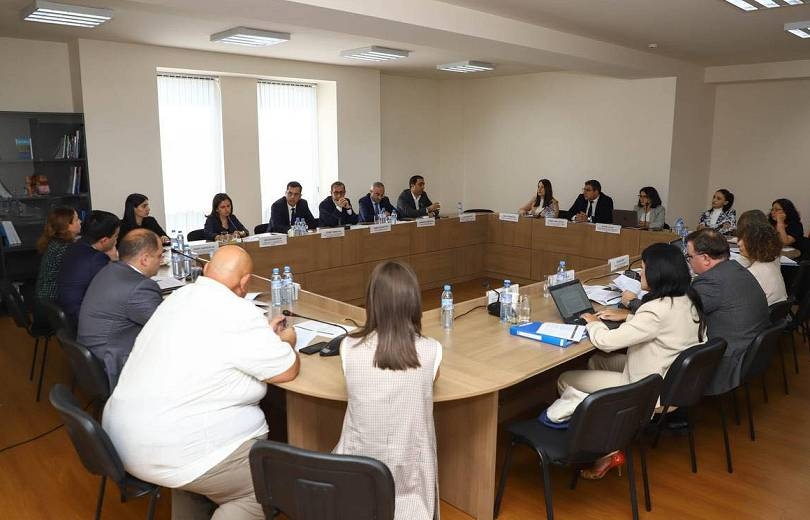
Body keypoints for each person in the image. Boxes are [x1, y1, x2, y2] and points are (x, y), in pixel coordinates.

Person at [102, 246, 299, 520]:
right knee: (268, 487)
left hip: (121, 438)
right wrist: (288, 341)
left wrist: (261, 336)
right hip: (177, 450)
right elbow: (286, 370)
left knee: (193, 476)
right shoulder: (237, 312)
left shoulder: (178, 297)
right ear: (244, 283)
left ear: (206, 270)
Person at [556, 243, 704, 479]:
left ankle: (603, 448)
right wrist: (628, 317)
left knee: (566, 379)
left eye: (643, 269)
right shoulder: (687, 298)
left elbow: (606, 341)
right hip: (669, 379)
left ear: (657, 273)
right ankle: (610, 421)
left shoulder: (655, 310)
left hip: (648, 389)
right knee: (597, 362)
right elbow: (661, 327)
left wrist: (593, 322)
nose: (640, 274)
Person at [333, 260, 441, 519]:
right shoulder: (432, 350)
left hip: (357, 471)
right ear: (414, 302)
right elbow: (429, 379)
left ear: (371, 302)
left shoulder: (348, 347)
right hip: (412, 475)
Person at [685, 228, 770, 395]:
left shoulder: (710, 282)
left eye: (689, 257)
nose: (688, 261)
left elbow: (680, 314)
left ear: (706, 258)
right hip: (749, 354)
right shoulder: (736, 269)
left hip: (727, 363)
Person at [77, 229, 163, 389]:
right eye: (159, 255)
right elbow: (166, 326)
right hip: (112, 363)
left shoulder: (110, 269)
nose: (162, 260)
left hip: (93, 356)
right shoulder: (140, 287)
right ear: (144, 259)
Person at [57, 210, 120, 324]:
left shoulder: (74, 246)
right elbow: (117, 289)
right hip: (84, 320)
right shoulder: (97, 258)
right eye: (116, 236)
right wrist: (114, 261)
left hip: (68, 312)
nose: (116, 240)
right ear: (104, 240)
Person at [33, 207, 81, 327]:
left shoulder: (55, 242)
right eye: (76, 220)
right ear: (67, 225)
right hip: (52, 309)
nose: (80, 221)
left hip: (44, 303)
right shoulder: (65, 248)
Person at [736, 221, 787, 306]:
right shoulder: (775, 261)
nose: (738, 243)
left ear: (758, 244)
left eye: (744, 240)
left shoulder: (752, 274)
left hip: (758, 312)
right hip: (777, 311)